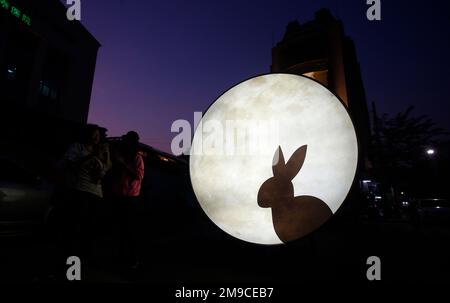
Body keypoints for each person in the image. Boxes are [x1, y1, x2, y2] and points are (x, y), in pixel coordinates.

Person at [58, 124, 111, 265]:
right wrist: (91, 156)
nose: (96, 137)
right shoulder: (78, 147)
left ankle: (84, 257)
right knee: (76, 225)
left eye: (98, 135)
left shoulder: (99, 151)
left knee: (90, 227)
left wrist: (106, 155)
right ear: (87, 135)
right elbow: (70, 164)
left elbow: (106, 169)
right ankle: (70, 257)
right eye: (94, 134)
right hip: (80, 190)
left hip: (96, 193)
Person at [111, 131, 145, 269]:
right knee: (120, 229)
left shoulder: (137, 158)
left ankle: (131, 260)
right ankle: (121, 258)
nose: (125, 143)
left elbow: (139, 176)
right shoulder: (122, 155)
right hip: (119, 196)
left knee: (129, 230)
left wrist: (123, 164)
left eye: (128, 141)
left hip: (130, 198)